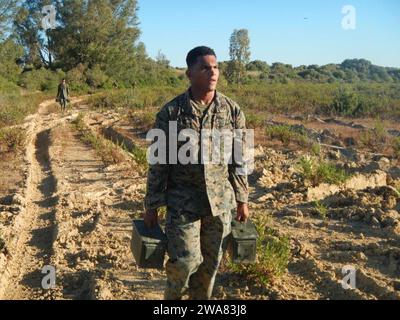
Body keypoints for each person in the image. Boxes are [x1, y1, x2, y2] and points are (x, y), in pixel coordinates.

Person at [143, 46, 250, 300]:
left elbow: (239, 159)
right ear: (189, 73)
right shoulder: (171, 113)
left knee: (209, 268)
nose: (212, 72)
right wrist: (152, 204)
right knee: (185, 262)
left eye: (215, 67)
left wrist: (242, 198)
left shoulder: (232, 112)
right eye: (205, 67)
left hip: (219, 203)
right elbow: (158, 163)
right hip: (182, 203)